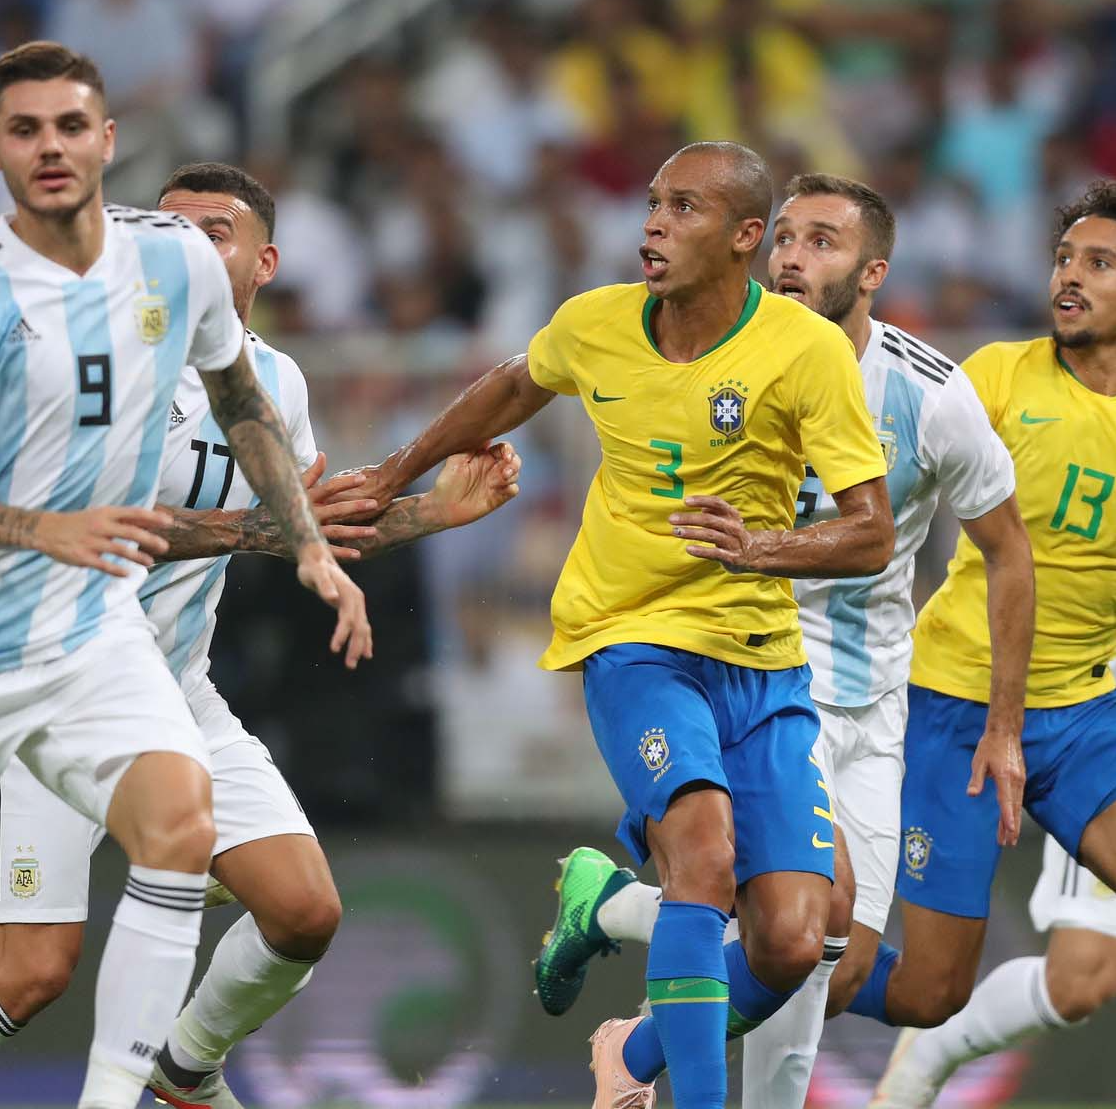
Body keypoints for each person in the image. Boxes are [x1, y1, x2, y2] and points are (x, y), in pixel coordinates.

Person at [336, 141, 896, 1109]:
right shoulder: (596, 324)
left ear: (742, 238)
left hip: (760, 661)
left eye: (683, 209)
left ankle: (627, 1039)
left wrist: (758, 548)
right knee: (703, 850)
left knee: (799, 938)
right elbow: (514, 383)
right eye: (650, 204)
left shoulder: (803, 354)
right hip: (631, 637)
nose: (652, 224)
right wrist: (393, 471)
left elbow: (871, 530)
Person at [0, 160, 520, 1109]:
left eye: (211, 231)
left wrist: (431, 515)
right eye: (163, 231)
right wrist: (272, 528)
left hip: (176, 692)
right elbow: (130, 525)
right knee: (29, 972)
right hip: (53, 687)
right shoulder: (97, 366)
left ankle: (185, 1069)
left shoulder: (279, 385)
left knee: (302, 910)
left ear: (265, 261)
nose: (182, 251)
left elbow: (310, 523)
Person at [527, 170, 1033, 1109]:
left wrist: (1006, 723)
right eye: (787, 237)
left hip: (872, 703)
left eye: (824, 243)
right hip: (741, 676)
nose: (795, 258)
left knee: (838, 970)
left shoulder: (931, 394)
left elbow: (1008, 550)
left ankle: (618, 951)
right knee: (781, 935)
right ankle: (656, 1043)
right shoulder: (709, 347)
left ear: (873, 271)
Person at [0, 43, 368, 1109]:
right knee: (33, 968)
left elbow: (250, 419)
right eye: (27, 131)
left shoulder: (187, 284)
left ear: (107, 141)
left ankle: (149, 1087)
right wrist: (44, 525)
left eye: (71, 126)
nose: (51, 147)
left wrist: (313, 539)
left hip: (123, 658)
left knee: (229, 859)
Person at [858, 179, 1116, 1109]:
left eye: (1098, 263)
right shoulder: (996, 378)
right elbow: (891, 508)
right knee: (929, 990)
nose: (1069, 278)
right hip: (955, 704)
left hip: (1080, 712)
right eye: (1063, 260)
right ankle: (756, 951)